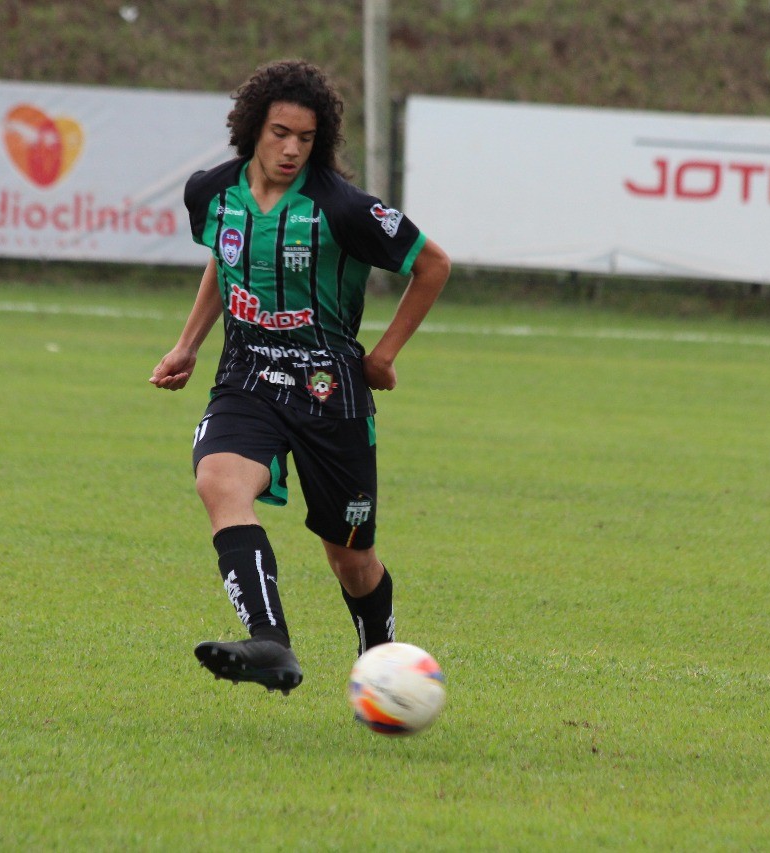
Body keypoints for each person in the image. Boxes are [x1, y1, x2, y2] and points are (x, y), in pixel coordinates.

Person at [149, 59, 450, 695]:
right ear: (252, 129)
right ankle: (270, 643)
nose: (291, 149)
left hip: (331, 395)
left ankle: (381, 659)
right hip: (248, 377)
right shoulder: (211, 192)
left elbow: (433, 264)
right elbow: (225, 259)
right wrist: (187, 345)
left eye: (305, 139)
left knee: (351, 557)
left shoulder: (342, 209)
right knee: (219, 482)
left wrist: (384, 356)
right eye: (280, 133)